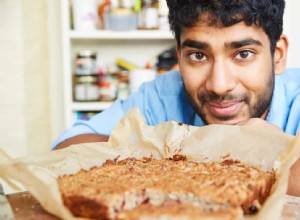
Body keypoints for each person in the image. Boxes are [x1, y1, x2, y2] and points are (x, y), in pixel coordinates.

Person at [53, 0, 300, 196]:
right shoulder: (161, 94)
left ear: (277, 56)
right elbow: (66, 148)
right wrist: (207, 149)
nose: (219, 85)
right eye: (198, 56)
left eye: (243, 54)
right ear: (179, 57)